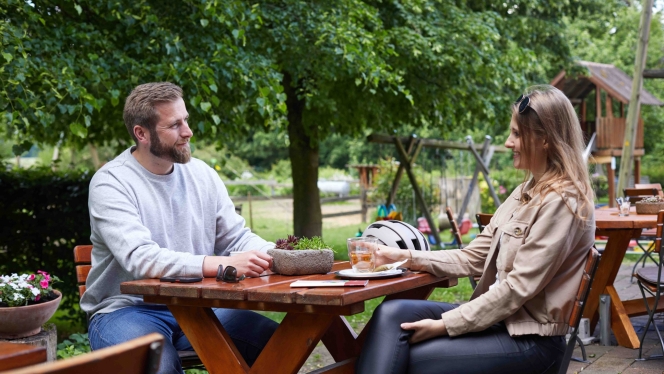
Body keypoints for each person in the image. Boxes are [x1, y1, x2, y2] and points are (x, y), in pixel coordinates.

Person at [356, 85, 596, 374]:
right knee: (391, 313)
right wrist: (397, 256)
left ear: (543, 139)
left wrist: (445, 325)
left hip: (532, 340)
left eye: (517, 134)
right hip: (499, 321)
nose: (508, 143)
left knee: (418, 355)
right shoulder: (524, 192)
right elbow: (472, 257)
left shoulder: (563, 201)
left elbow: (517, 289)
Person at [81, 82, 278, 374]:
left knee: (275, 345)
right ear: (141, 133)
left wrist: (286, 255)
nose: (188, 132)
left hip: (198, 308)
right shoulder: (111, 182)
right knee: (158, 365)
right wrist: (223, 264)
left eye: (185, 120)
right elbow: (141, 258)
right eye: (175, 125)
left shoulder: (202, 175)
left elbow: (235, 238)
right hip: (126, 311)